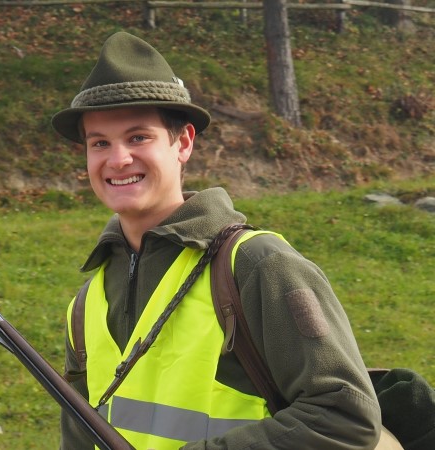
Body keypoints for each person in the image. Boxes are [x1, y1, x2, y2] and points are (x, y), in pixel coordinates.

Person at [51, 31, 382, 449]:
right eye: (100, 143)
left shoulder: (258, 265)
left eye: (138, 137)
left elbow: (345, 416)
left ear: (183, 142)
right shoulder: (87, 305)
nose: (118, 159)